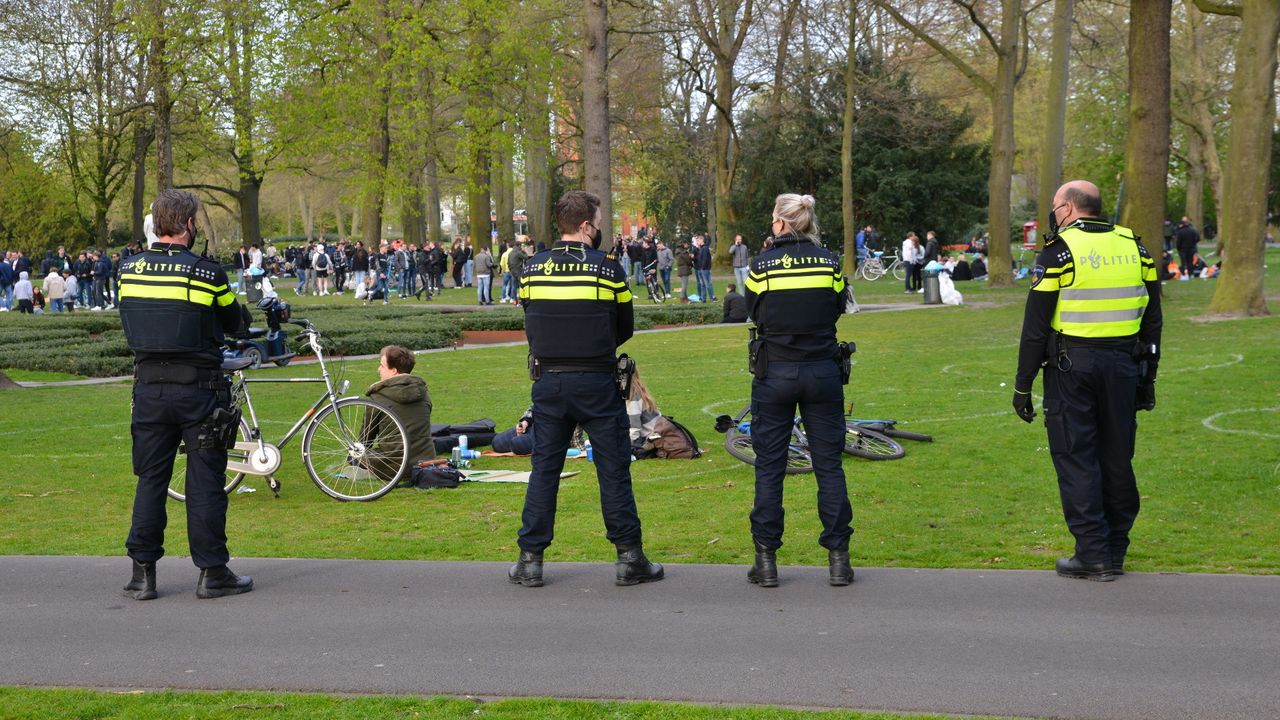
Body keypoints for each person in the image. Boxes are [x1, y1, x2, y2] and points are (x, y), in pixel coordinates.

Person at [510, 189, 663, 588]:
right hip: (596, 379)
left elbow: (531, 322)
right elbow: (624, 327)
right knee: (613, 470)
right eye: (597, 224)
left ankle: (530, 561)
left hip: (548, 380)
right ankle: (630, 557)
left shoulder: (531, 269)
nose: (600, 231)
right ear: (584, 226)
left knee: (544, 470)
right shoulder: (608, 269)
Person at [1012, 180, 1162, 582]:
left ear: (1068, 208)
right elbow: (1153, 318)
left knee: (1076, 456)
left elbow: (1035, 327)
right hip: (1124, 366)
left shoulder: (1059, 251)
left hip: (1071, 368)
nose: (1053, 212)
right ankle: (1114, 551)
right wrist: (1149, 377)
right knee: (1117, 457)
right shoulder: (1136, 247)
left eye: (1055, 205)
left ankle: (1092, 554)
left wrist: (1022, 385)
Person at [117, 189, 252, 600]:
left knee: (150, 480)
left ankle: (142, 575)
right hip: (199, 389)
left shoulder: (127, 269)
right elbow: (235, 322)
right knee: (205, 482)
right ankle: (212, 572)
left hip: (149, 390)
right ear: (189, 225)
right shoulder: (206, 272)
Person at [744, 193, 853, 588]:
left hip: (775, 373)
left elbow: (751, 309)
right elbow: (839, 304)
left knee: (770, 468)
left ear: (779, 222)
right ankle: (839, 561)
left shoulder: (762, 264)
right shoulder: (829, 261)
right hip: (822, 371)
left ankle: (766, 560)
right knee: (829, 466)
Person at [363, 345, 435, 480]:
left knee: (355, 454)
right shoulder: (424, 393)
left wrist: (354, 456)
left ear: (394, 371)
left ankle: (369, 472)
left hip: (393, 467)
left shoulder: (378, 397)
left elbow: (365, 439)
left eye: (382, 366)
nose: (378, 369)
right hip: (424, 463)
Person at [694, 235, 715, 302]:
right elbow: (699, 259)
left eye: (698, 240)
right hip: (700, 269)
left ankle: (712, 298)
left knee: (707, 284)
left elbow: (705, 259)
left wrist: (702, 267)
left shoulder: (705, 248)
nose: (697, 242)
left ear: (702, 240)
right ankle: (703, 299)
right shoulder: (700, 249)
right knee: (702, 285)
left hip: (704, 269)